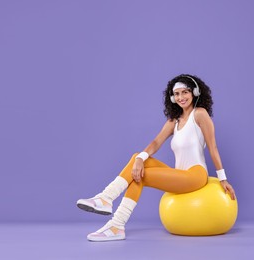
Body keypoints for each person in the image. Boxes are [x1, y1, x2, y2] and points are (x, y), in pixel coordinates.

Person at [77, 74, 236, 241]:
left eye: (185, 92)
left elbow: (213, 148)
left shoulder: (200, 114)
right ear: (172, 97)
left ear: (195, 92)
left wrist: (223, 179)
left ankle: (115, 221)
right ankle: (106, 200)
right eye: (177, 94)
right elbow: (156, 142)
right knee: (137, 157)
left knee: (141, 176)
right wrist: (140, 159)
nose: (181, 97)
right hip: (179, 175)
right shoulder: (173, 121)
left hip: (195, 175)